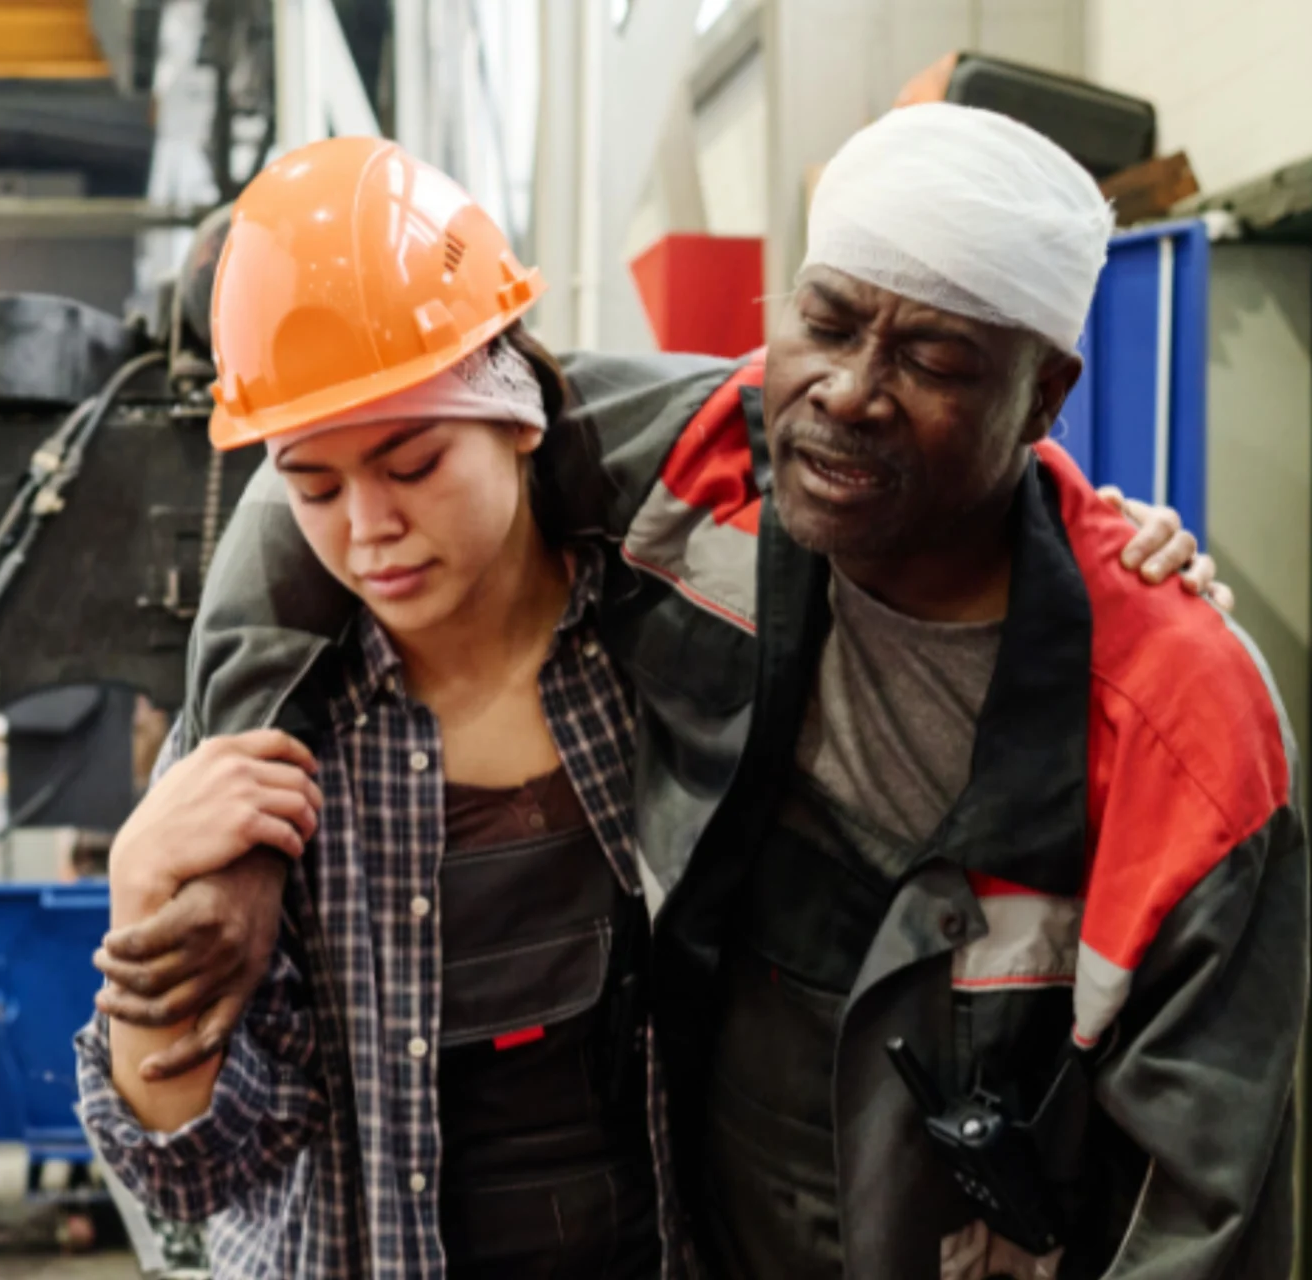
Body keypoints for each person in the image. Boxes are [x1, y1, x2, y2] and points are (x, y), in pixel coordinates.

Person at [80, 127, 1230, 1279]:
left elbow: (892, 489)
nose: (368, 528)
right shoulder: (268, 746)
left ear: (518, 411)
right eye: (313, 487)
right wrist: (147, 930)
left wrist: (1088, 536)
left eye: (415, 464)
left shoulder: (675, 646)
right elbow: (193, 1174)